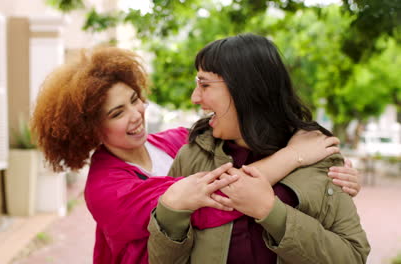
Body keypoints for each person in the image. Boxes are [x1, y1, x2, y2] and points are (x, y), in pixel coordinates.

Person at [30, 46, 361, 264]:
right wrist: (295, 158)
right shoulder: (107, 188)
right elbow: (212, 201)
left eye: (134, 99)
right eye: (116, 113)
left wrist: (329, 174)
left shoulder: (176, 143)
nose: (136, 114)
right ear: (89, 129)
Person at [147, 33, 370, 264]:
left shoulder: (320, 155)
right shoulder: (192, 156)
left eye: (204, 85)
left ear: (245, 88)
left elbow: (352, 256)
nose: (195, 97)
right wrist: (171, 212)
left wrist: (271, 212)